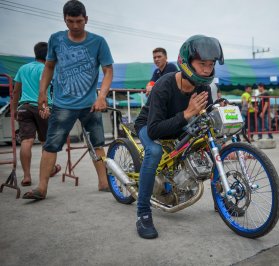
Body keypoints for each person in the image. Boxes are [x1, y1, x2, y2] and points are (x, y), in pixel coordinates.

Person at [134, 35, 224, 239]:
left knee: (209, 144)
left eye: (210, 64)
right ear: (186, 63)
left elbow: (205, 113)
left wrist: (216, 111)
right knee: (155, 151)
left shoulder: (203, 88)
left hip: (178, 127)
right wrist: (187, 113)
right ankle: (143, 213)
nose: (207, 69)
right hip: (148, 125)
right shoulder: (163, 85)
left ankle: (222, 197)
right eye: (202, 64)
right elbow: (154, 130)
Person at [22, 0, 114, 200]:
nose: (75, 26)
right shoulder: (56, 39)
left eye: (79, 21)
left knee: (98, 142)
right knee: (51, 144)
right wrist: (42, 93)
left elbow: (108, 71)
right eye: (70, 21)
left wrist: (101, 96)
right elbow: (49, 67)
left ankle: (104, 183)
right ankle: (42, 188)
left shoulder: (98, 42)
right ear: (64, 20)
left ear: (86, 19)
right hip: (63, 104)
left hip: (91, 104)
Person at [12, 42, 61, 187]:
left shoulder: (23, 68)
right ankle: (50, 169)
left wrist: (14, 109)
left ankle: (26, 176)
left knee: (26, 141)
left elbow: (16, 91)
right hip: (43, 107)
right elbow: (45, 89)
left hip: (24, 107)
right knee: (47, 141)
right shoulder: (47, 69)